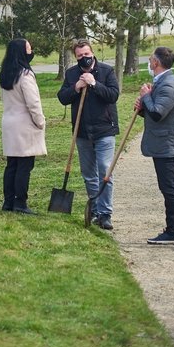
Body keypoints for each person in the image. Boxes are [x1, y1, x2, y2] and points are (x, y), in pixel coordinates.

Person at [135, 46, 174, 252]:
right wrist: (143, 106)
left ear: (156, 62)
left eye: (150, 58)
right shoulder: (161, 83)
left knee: (170, 190)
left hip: (170, 147)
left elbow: (158, 114)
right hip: (161, 145)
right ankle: (172, 231)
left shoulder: (169, 85)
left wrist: (146, 97)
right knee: (167, 188)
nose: (149, 62)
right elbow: (154, 115)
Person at [57, 38, 119, 230]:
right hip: (82, 131)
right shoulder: (71, 74)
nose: (83, 58)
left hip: (104, 129)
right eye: (79, 56)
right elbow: (62, 98)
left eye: (86, 54)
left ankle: (105, 213)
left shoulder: (106, 71)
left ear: (92, 53)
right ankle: (95, 209)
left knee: (104, 169)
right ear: (75, 57)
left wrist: (94, 84)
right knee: (88, 174)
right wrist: (76, 87)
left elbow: (113, 95)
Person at [0, 37, 46, 215]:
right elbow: (33, 103)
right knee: (24, 166)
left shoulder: (6, 74)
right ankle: (20, 203)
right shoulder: (25, 75)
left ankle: (8, 202)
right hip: (25, 124)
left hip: (9, 122)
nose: (31, 51)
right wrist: (40, 121)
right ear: (21, 52)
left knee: (12, 165)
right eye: (28, 48)